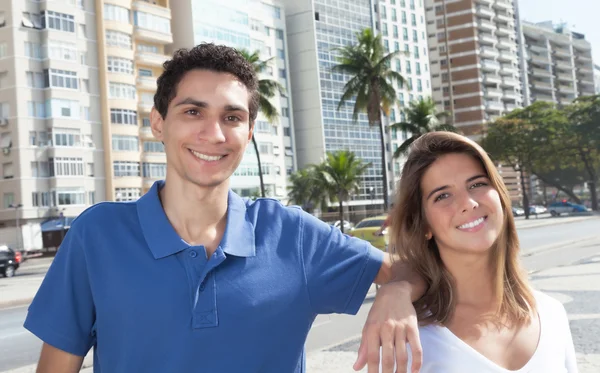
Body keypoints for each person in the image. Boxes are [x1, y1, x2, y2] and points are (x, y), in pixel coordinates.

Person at [24, 43, 423, 373]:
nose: (213, 134)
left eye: (231, 117)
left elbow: (413, 268)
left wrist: (397, 289)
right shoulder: (98, 235)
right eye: (193, 111)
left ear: (248, 133)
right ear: (159, 123)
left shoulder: (292, 235)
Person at [389, 132, 578, 372]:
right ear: (424, 225)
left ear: (500, 196)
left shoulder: (552, 314)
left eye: (477, 184)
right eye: (443, 195)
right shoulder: (408, 339)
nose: (468, 203)